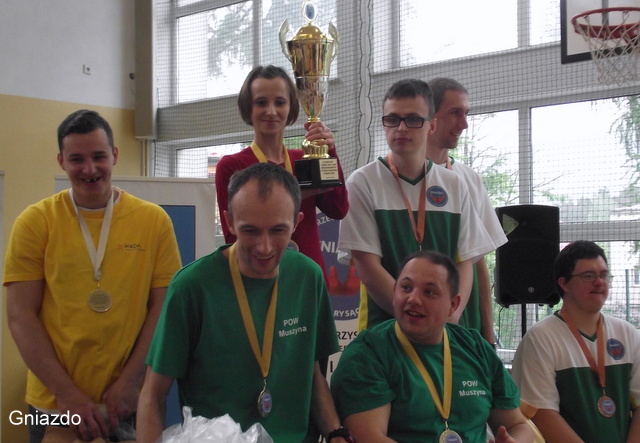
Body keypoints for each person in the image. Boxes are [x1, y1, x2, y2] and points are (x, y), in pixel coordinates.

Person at [137, 162, 353, 443]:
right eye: (250, 231)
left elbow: (310, 374)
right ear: (229, 222)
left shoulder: (308, 277)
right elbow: (153, 394)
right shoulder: (192, 286)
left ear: (297, 222)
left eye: (278, 230)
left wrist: (335, 432)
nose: (264, 247)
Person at [4, 109, 182, 442]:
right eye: (77, 159)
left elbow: (162, 308)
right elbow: (20, 315)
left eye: (99, 156)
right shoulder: (35, 222)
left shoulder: (153, 221)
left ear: (114, 155)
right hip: (53, 403)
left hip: (124, 400)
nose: (89, 169)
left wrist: (130, 381)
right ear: (61, 161)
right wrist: (66, 394)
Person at [338, 78, 495, 331]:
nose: (401, 128)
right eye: (392, 119)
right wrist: (420, 316)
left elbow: (466, 262)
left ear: (432, 125)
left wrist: (449, 317)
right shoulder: (362, 182)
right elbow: (368, 268)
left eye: (413, 119)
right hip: (384, 332)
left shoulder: (454, 184)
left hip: (446, 332)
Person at [330, 250, 533, 442]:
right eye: (406, 288)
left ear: (453, 305)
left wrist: (516, 440)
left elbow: (518, 425)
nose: (413, 299)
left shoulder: (475, 347)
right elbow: (369, 438)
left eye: (429, 292)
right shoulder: (368, 353)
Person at [215, 64, 348, 284]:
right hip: (259, 281)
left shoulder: (303, 159)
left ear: (291, 107)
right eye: (261, 102)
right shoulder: (232, 166)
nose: (271, 111)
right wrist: (296, 195)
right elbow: (232, 239)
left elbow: (339, 209)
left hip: (308, 278)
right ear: (248, 107)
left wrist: (328, 151)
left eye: (279, 102)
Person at [511, 240, 640, 443]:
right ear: (564, 283)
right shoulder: (541, 338)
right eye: (588, 276)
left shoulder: (627, 333)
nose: (599, 282)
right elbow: (541, 415)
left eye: (604, 275)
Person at [426, 77, 508, 346]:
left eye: (466, 114)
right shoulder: (394, 176)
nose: (464, 124)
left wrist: (488, 334)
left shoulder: (468, 178)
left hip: (463, 324)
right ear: (430, 116)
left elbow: (479, 263)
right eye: (455, 113)